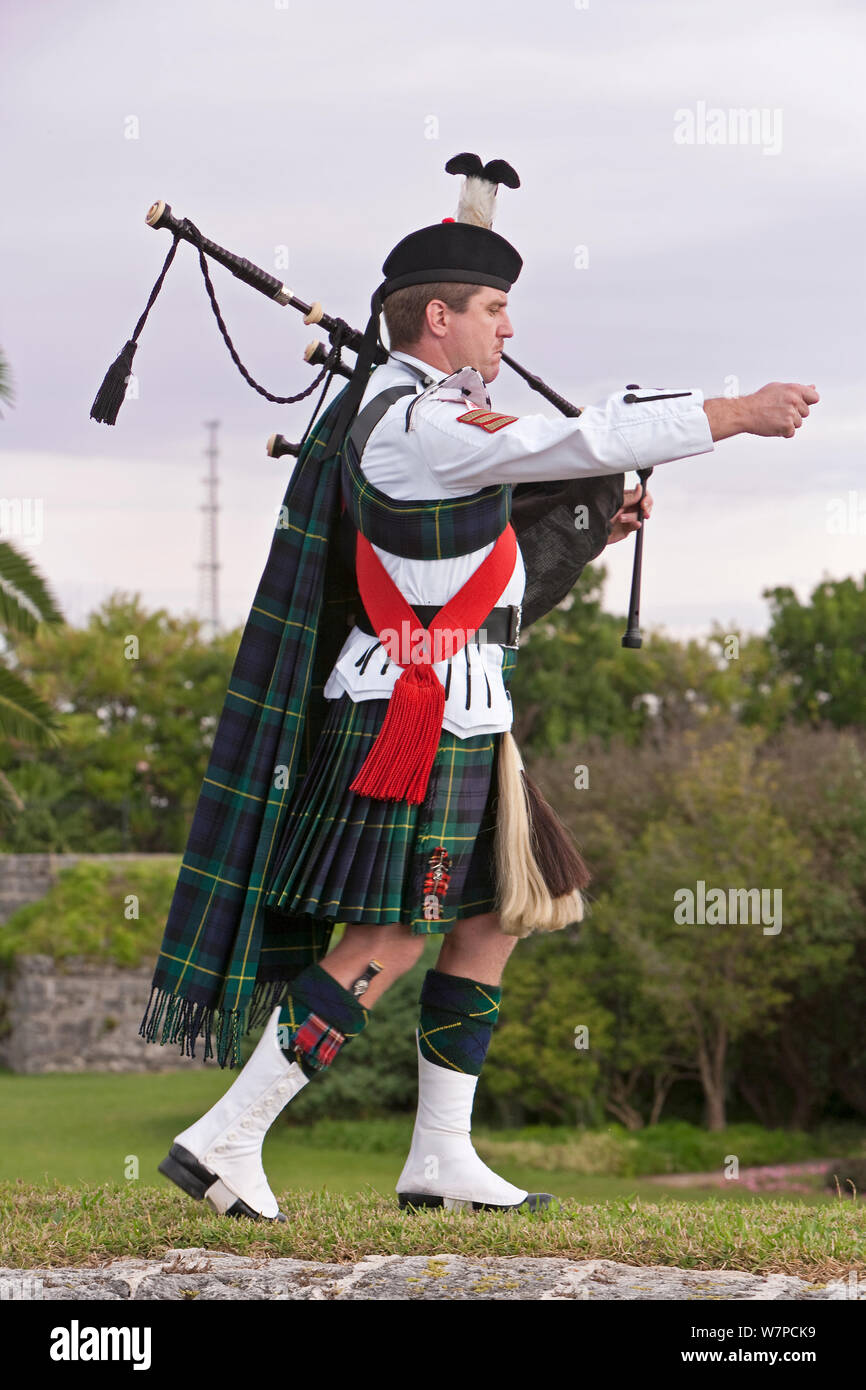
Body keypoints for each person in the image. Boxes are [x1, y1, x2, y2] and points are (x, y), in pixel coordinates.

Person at [147, 153, 819, 1220]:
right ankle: (226, 1135)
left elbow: (486, 592)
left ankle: (439, 1155)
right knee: (392, 936)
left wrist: (589, 521)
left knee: (497, 915)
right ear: (435, 322)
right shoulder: (422, 424)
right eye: (494, 311)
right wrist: (728, 411)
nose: (508, 332)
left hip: (463, 707)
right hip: (411, 717)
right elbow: (576, 434)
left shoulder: (430, 420)